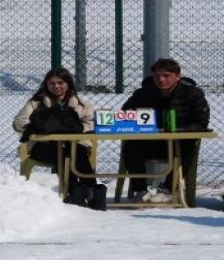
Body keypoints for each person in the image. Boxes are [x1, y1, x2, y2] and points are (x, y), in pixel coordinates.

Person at [119, 58, 211, 203]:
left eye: (166, 76)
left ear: (178, 76)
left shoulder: (193, 94)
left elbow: (201, 123)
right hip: (149, 143)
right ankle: (140, 190)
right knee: (131, 146)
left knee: (187, 146)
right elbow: (124, 115)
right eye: (157, 76)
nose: (161, 79)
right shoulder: (143, 93)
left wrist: (174, 130)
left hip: (178, 143)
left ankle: (169, 189)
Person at [12, 67, 101, 209]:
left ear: (68, 84)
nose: (56, 86)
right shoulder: (36, 102)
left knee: (76, 151)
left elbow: (91, 121)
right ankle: (73, 190)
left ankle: (91, 191)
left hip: (74, 144)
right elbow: (19, 121)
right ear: (46, 85)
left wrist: (79, 129)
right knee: (60, 150)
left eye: (60, 82)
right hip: (43, 146)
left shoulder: (80, 104)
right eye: (51, 83)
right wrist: (36, 127)